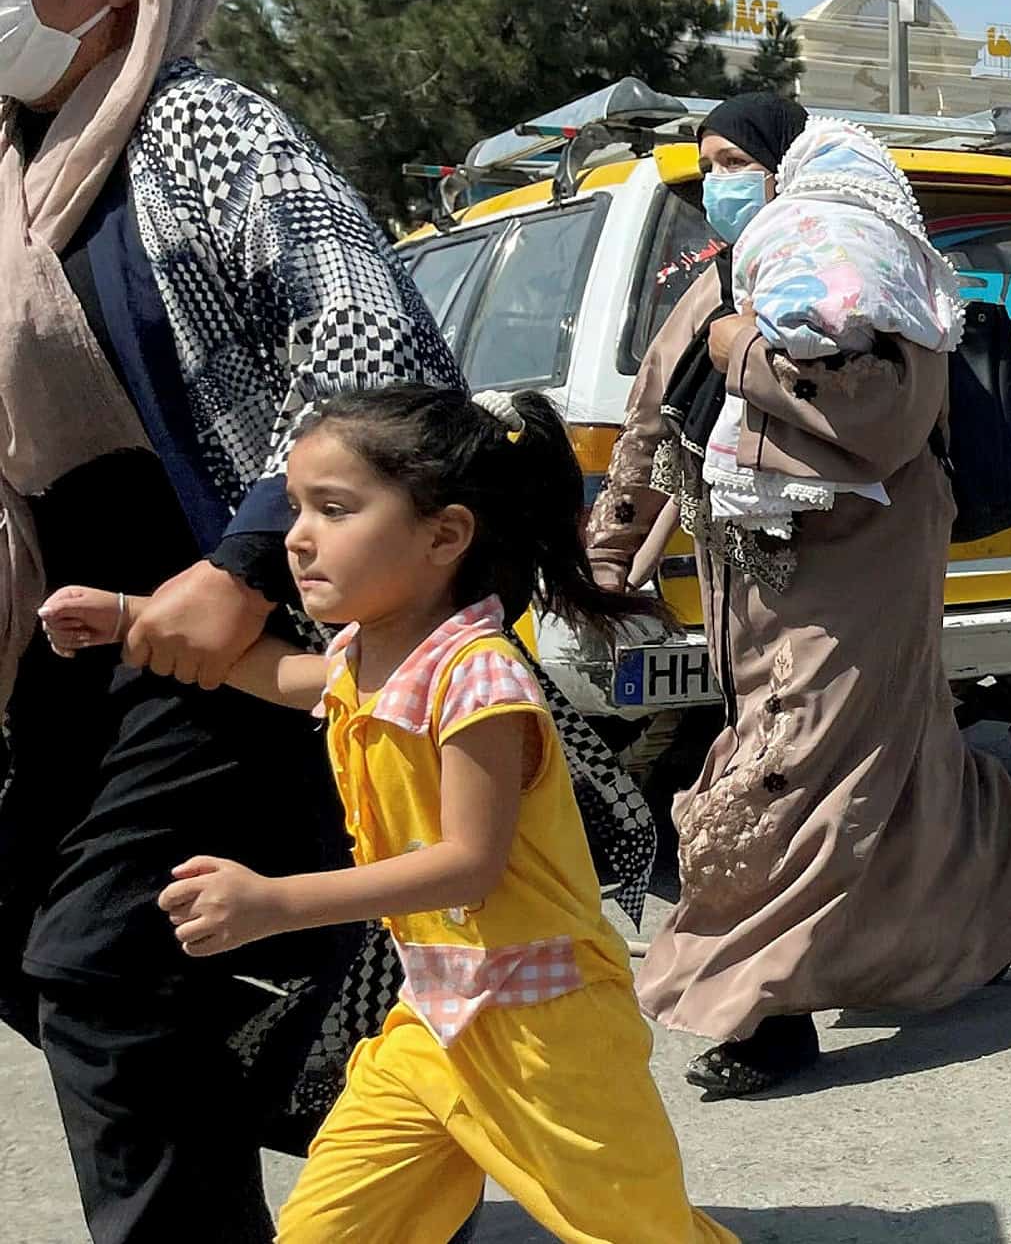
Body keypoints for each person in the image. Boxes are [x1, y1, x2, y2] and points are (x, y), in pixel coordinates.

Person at [0, 0, 643, 1239]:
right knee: (47, 934)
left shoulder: (192, 126)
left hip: (242, 618)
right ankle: (409, 1079)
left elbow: (372, 337)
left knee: (101, 962)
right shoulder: (18, 166)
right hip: (91, 630)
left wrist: (242, 559)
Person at [42, 387, 735, 1244]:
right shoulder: (366, 657)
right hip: (431, 1025)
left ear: (444, 536)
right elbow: (277, 676)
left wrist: (275, 902)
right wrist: (128, 615)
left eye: (334, 510)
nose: (297, 536)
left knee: (640, 1234)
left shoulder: (479, 679)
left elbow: (466, 864)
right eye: (296, 508)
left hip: (543, 1032)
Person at [588, 96, 1011, 1097]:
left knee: (792, 767)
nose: (718, 183)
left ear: (786, 165)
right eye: (707, 166)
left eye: (736, 160)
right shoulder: (721, 285)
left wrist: (741, 350)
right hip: (751, 574)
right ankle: (999, 904)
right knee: (900, 758)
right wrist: (610, 543)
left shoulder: (863, 281)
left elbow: (882, 416)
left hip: (862, 564)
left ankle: (764, 1006)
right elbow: (652, 419)